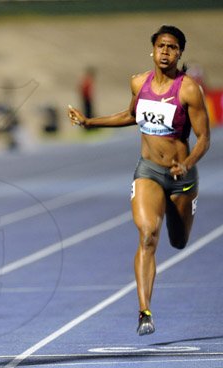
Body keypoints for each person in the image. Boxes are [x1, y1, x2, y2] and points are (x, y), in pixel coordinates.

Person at [68, 25, 210, 336]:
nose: (165, 52)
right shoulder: (138, 82)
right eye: (161, 46)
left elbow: (203, 138)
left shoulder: (188, 90)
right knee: (147, 235)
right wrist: (91, 122)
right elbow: (132, 115)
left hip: (181, 176)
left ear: (179, 53)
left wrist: (186, 164)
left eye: (172, 47)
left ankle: (185, 207)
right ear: (152, 49)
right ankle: (144, 311)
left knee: (179, 241)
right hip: (148, 171)